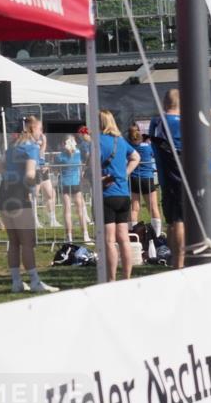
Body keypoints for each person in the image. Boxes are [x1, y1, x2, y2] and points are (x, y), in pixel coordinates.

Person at [0, 115, 58, 293]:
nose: (42, 132)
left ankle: (16, 282)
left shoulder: (13, 147)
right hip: (19, 195)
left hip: (4, 193)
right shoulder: (31, 148)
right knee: (27, 242)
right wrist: (42, 175)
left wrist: (12, 174)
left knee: (14, 241)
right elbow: (30, 175)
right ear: (33, 129)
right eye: (40, 129)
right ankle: (35, 281)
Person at [100, 110, 140, 280]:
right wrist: (125, 173)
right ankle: (127, 277)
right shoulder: (120, 141)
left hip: (107, 193)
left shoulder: (99, 142)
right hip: (123, 194)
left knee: (109, 240)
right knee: (123, 238)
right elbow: (136, 157)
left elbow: (91, 167)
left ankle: (111, 279)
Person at [148, 88, 186, 268]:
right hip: (181, 179)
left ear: (164, 103)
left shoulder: (157, 122)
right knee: (179, 220)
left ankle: (173, 260)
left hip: (165, 178)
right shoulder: (182, 122)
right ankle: (180, 260)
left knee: (171, 221)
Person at [127, 123, 161, 236]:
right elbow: (154, 154)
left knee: (134, 208)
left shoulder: (129, 146)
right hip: (147, 178)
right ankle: (157, 233)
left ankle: (133, 233)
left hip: (134, 179)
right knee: (153, 207)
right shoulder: (147, 146)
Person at [56, 136, 91, 242]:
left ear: (63, 143)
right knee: (80, 211)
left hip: (64, 183)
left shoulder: (60, 156)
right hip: (76, 183)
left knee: (67, 211)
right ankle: (85, 235)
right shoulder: (78, 153)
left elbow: (55, 169)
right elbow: (80, 167)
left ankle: (69, 237)